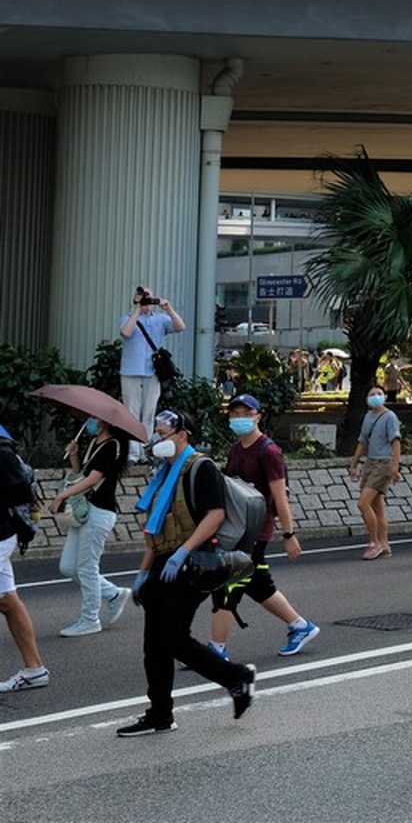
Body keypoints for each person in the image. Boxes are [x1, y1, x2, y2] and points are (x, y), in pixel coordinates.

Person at [117, 410, 258, 735]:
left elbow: (216, 514)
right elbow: (156, 528)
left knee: (172, 640)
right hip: (162, 566)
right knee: (155, 645)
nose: (158, 439)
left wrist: (183, 552)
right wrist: (143, 573)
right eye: (157, 432)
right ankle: (161, 713)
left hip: (191, 565)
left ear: (183, 434)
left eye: (163, 433)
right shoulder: (164, 472)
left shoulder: (201, 467)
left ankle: (235, 677)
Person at [210, 396, 318, 660]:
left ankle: (216, 649)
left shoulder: (268, 451)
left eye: (246, 412)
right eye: (235, 413)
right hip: (236, 528)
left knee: (228, 586)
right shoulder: (236, 448)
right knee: (258, 585)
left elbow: (280, 496)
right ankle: (300, 626)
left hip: (255, 532)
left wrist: (289, 534)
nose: (240, 418)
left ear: (258, 415)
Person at [48, 416, 131, 636]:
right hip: (84, 511)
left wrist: (61, 497)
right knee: (68, 566)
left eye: (93, 418)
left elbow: (92, 480)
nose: (89, 421)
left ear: (105, 421)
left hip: (99, 513)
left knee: (86, 568)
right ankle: (114, 593)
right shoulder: (95, 444)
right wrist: (74, 455)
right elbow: (80, 475)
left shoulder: (112, 445)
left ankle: (90, 619)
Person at [0, 423, 49, 692]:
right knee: (8, 601)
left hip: (1, 535)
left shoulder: (1, 451)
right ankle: (34, 670)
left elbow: (19, 491)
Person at [119, 286, 185, 457]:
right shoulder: (127, 318)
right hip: (130, 371)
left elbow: (180, 327)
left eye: (149, 297)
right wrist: (138, 310)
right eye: (142, 296)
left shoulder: (161, 319)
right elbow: (126, 332)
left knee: (149, 412)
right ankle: (132, 454)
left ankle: (145, 451)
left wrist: (168, 308)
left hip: (153, 372)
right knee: (131, 412)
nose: (146, 300)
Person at [346, 384, 402, 558]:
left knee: (363, 503)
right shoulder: (368, 416)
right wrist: (354, 464)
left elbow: (396, 442)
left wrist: (395, 466)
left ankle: (374, 542)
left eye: (379, 393)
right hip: (370, 463)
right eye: (372, 394)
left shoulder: (390, 417)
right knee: (378, 506)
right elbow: (362, 442)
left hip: (383, 464)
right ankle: (384, 544)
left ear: (385, 396)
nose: (376, 396)